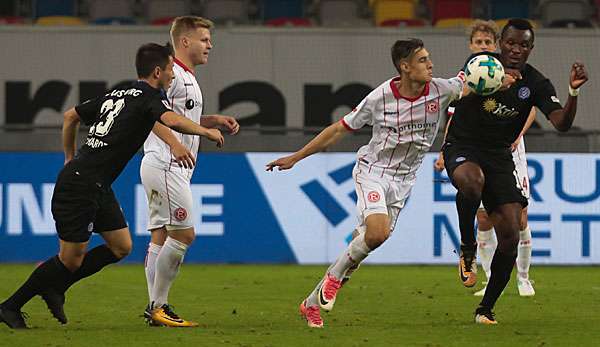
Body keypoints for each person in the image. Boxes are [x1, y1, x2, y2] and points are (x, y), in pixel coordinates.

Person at [0, 43, 224, 329]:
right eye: (169, 69)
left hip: (96, 183)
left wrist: (69, 157)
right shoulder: (149, 96)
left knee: (121, 246)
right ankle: (10, 306)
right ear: (158, 71)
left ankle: (56, 286)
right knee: (70, 259)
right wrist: (205, 131)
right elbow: (171, 120)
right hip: (80, 185)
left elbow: (71, 116)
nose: (172, 75)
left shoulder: (120, 93)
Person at [267, 38, 465, 328]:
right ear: (405, 66)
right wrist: (297, 157)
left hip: (404, 182)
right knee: (376, 232)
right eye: (423, 60)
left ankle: (311, 304)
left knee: (372, 239)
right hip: (372, 172)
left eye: (429, 58)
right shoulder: (380, 98)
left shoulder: (442, 90)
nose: (431, 64)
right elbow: (338, 130)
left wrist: (504, 78)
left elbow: (474, 82)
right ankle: (333, 279)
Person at [442, 18, 588, 324]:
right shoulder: (481, 64)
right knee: (471, 183)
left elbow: (561, 123)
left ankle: (485, 309)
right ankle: (467, 248)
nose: (516, 49)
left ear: (531, 48)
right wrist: (494, 83)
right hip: (464, 145)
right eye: (510, 43)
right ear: (500, 43)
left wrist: (573, 93)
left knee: (510, 235)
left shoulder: (535, 83)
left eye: (523, 45)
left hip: (499, 157)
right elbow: (462, 91)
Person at [140, 16, 239, 328]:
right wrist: (176, 145)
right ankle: (159, 306)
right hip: (167, 163)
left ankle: (155, 308)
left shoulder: (186, 78)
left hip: (165, 165)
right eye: (204, 39)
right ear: (184, 42)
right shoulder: (174, 77)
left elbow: (181, 117)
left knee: (161, 236)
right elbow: (151, 115)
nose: (210, 45)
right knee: (184, 235)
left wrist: (212, 121)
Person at [433, 20, 536, 296]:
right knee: (484, 218)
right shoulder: (470, 77)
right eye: (478, 43)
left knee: (520, 218)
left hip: (509, 149)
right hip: (475, 149)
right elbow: (455, 117)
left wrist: (517, 135)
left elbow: (532, 107)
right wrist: (445, 150)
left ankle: (524, 278)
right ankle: (488, 275)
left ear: (497, 45)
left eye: (487, 43)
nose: (483, 47)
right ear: (471, 46)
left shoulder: (517, 72)